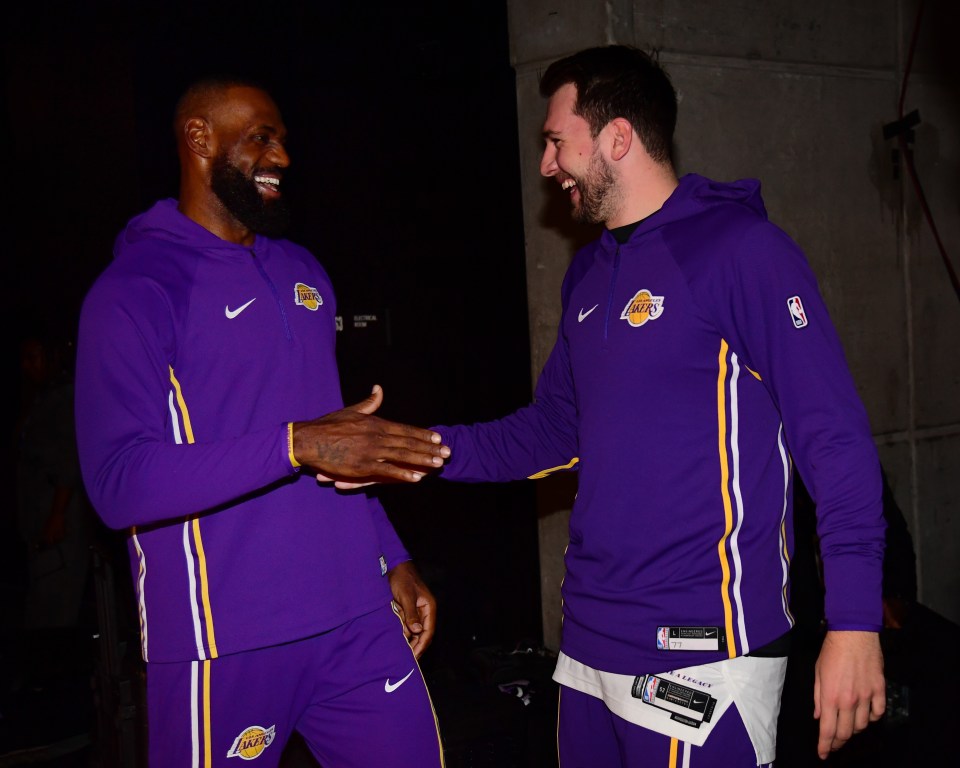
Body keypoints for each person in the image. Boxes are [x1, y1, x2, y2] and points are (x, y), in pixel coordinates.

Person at [425, 45, 887, 766]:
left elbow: (834, 440)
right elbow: (551, 432)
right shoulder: (587, 273)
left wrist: (855, 622)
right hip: (586, 647)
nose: (547, 166)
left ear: (617, 138)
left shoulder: (744, 252)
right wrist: (412, 450)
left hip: (701, 652)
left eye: (555, 142)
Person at [74, 75, 450, 768]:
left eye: (283, 140)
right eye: (261, 137)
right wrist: (294, 444)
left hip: (356, 617)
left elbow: (342, 446)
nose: (281, 156)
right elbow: (117, 481)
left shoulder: (303, 271)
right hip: (227, 638)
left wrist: (389, 557)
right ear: (198, 139)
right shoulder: (135, 289)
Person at [16, 326, 95, 631]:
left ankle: (55, 671)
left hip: (60, 520)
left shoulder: (65, 396)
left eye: (33, 357)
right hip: (38, 515)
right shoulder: (41, 397)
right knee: (41, 595)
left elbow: (69, 459)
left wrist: (57, 514)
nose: (27, 365)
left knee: (54, 604)